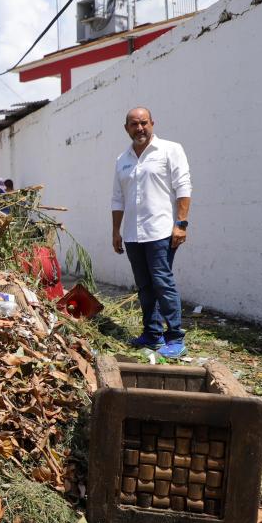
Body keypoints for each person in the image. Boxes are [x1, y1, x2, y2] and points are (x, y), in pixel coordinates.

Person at [111, 107, 192, 358]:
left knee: (162, 283)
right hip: (134, 235)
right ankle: (152, 334)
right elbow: (117, 198)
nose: (140, 129)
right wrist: (116, 230)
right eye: (134, 124)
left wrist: (181, 224)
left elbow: (183, 187)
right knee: (145, 286)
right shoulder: (122, 160)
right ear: (126, 128)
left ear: (152, 123)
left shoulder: (170, 149)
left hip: (160, 232)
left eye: (144, 123)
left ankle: (175, 336)